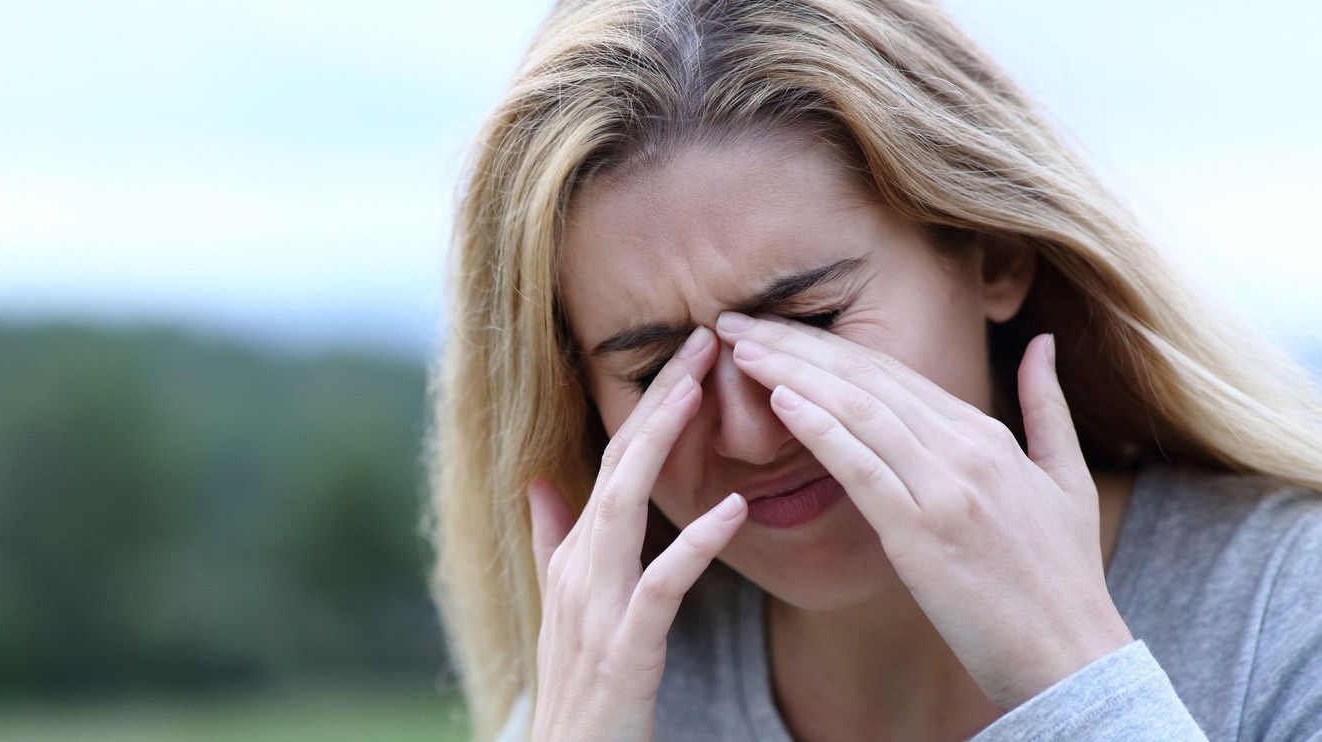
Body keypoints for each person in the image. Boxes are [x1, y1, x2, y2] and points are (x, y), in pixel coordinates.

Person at [421, 1, 1322, 740]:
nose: (750, 429)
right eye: (657, 371)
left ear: (994, 256)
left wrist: (1076, 679)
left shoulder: (1286, 611)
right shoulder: (621, 694)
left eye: (810, 324)